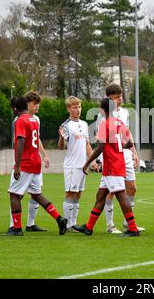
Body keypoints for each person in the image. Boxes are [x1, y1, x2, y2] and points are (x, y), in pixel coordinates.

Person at [73, 98, 140, 237]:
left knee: (121, 196)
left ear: (102, 109)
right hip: (117, 163)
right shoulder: (120, 123)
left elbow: (101, 147)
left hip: (112, 165)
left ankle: (133, 228)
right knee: (100, 195)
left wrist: (87, 162)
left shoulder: (105, 124)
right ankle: (89, 227)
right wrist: (119, 145)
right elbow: (129, 143)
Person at [3, 96, 67, 236]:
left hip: (26, 162)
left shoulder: (20, 120)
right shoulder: (34, 120)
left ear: (15, 108)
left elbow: (20, 142)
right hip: (36, 162)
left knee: (14, 194)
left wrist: (18, 166)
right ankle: (59, 218)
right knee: (37, 194)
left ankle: (17, 229)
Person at [97, 84, 144, 234]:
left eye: (120, 96)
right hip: (111, 158)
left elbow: (127, 134)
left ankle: (127, 223)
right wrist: (97, 160)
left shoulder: (124, 113)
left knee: (132, 188)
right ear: (109, 99)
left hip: (126, 156)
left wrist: (134, 153)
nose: (120, 99)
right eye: (117, 97)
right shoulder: (102, 117)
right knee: (110, 191)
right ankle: (110, 225)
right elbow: (102, 141)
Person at [58, 96, 93, 232]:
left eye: (79, 107)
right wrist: (61, 137)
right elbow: (61, 147)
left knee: (78, 194)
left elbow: (86, 143)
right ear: (68, 109)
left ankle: (73, 223)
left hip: (82, 165)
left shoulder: (84, 124)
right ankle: (67, 225)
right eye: (74, 107)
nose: (77, 109)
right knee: (70, 193)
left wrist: (92, 160)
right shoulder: (66, 125)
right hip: (71, 165)